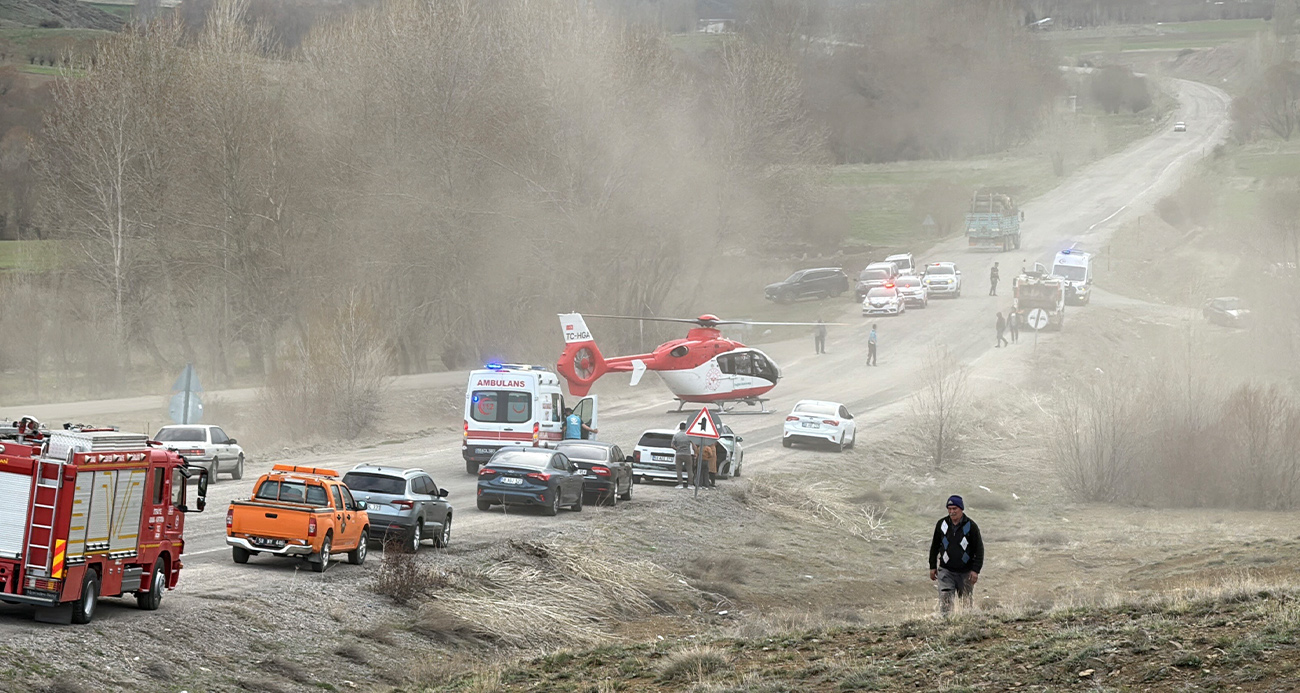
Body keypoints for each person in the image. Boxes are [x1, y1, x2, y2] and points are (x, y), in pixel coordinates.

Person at [928, 495, 984, 617]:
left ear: (961, 509)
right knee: (945, 599)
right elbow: (934, 546)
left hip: (966, 573)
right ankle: (946, 624)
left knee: (966, 605)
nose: (952, 512)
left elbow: (979, 550)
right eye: (949, 508)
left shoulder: (971, 526)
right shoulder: (941, 524)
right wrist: (932, 566)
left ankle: (965, 625)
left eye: (954, 508)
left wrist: (975, 570)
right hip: (946, 571)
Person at [671, 422, 695, 489]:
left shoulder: (676, 435)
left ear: (679, 427)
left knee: (679, 470)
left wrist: (677, 449)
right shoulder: (689, 435)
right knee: (689, 469)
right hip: (687, 454)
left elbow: (672, 445)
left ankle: (680, 484)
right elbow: (694, 445)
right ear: (685, 427)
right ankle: (690, 484)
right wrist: (695, 452)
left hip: (679, 454)